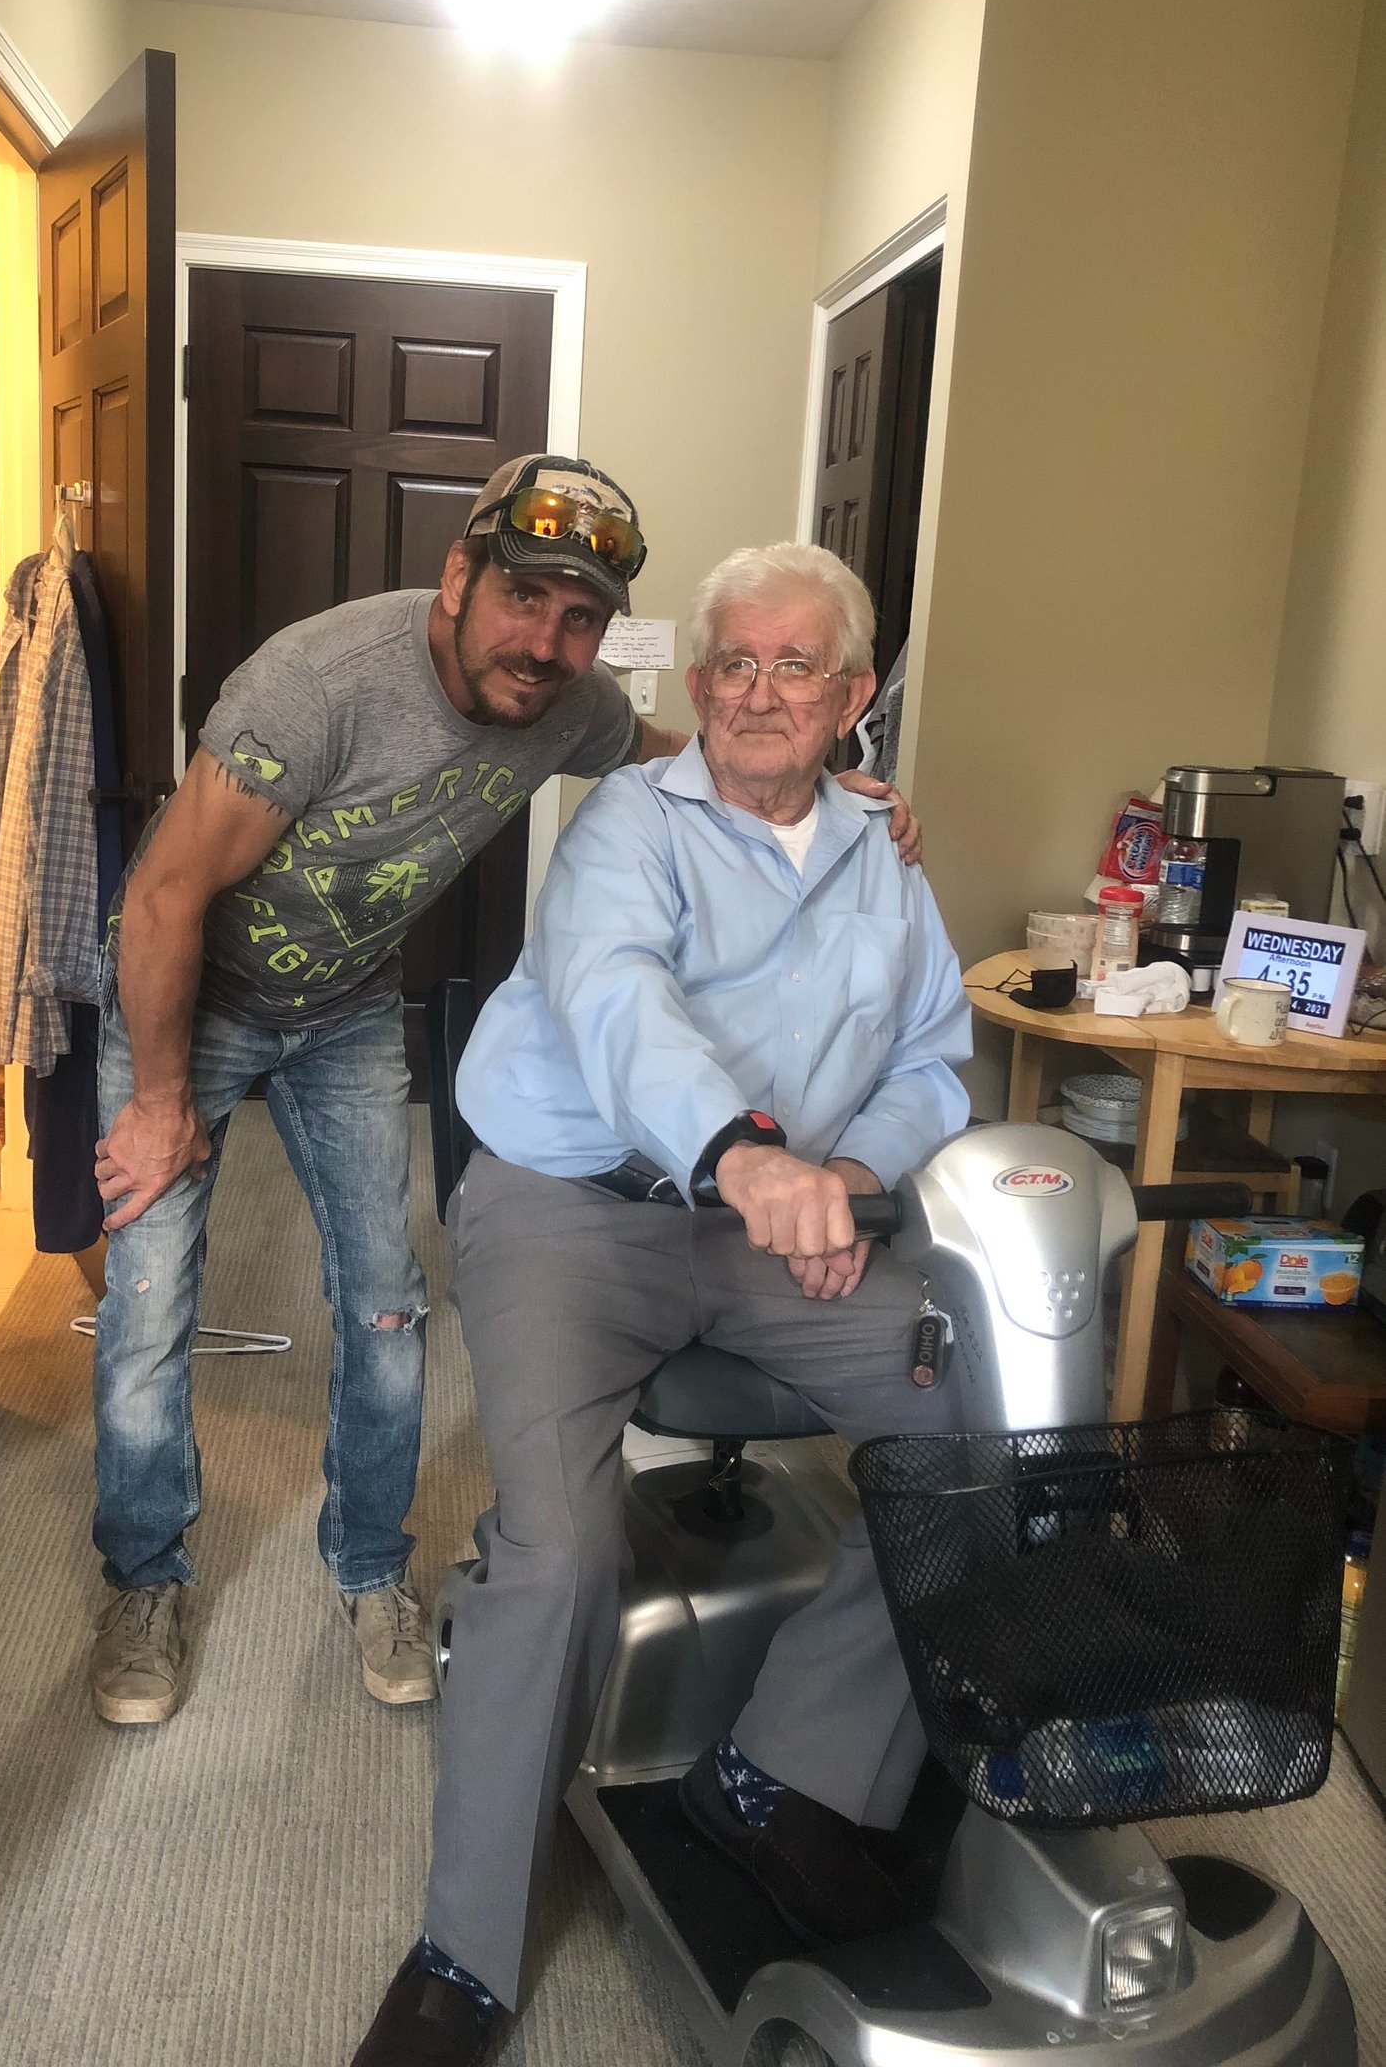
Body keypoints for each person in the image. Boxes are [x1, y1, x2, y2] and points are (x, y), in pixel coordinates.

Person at [83, 455, 921, 1728]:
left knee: (385, 1303)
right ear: (459, 576)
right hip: (185, 1002)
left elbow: (687, 759)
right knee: (149, 1309)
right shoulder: (316, 688)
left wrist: (819, 786)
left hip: (343, 1011)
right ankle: (145, 1580)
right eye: (524, 597)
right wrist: (158, 1105)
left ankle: (370, 1567)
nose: (544, 642)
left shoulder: (569, 705)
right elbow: (162, 897)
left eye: (579, 618)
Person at [353, 541, 971, 2065]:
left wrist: (847, 1183)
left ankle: (781, 1773)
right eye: (732, 664)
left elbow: (932, 1059)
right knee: (558, 1550)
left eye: (794, 665)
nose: (757, 692)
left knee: (977, 1435)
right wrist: (752, 1160)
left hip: (784, 1225)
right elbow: (620, 1000)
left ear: (852, 697)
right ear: (696, 686)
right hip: (572, 1208)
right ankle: (465, 1956)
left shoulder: (886, 856)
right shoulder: (626, 825)